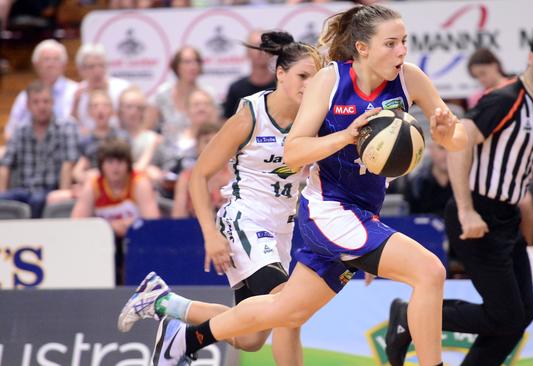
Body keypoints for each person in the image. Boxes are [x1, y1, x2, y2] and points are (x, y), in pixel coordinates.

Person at [124, 5, 467, 366]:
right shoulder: (329, 81)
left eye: (404, 42)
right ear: (362, 47)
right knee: (430, 272)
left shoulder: (410, 78)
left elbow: (457, 136)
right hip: (328, 211)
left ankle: (186, 337)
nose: (402, 51)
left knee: (285, 312)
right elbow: (293, 151)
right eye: (391, 43)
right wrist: (346, 137)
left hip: (359, 214)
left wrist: (448, 135)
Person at [118, 31, 323, 365]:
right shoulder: (251, 114)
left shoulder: (315, 120)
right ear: (281, 73)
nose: (309, 85)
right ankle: (181, 339)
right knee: (289, 307)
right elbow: (199, 175)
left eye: (316, 79)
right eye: (302, 76)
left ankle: (163, 304)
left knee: (250, 337)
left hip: (282, 230)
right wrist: (210, 235)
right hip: (246, 218)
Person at [386, 30, 533, 366]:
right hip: (478, 213)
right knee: (506, 316)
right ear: (531, 58)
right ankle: (408, 316)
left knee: (520, 316)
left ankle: (416, 319)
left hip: (506, 218)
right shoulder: (506, 99)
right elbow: (458, 142)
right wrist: (466, 210)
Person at [466, 47, 533, 245]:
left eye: (483, 73)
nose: (481, 80)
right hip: (489, 161)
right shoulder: (477, 97)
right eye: (476, 76)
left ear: (495, 65)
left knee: (525, 202)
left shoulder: (517, 90)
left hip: (516, 160)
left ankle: (527, 246)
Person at [71, 138, 160, 284]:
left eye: (120, 162)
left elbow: (152, 222)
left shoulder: (139, 182)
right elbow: (77, 222)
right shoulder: (93, 185)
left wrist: (130, 225)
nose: (115, 168)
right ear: (102, 165)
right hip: (104, 243)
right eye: (110, 162)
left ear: (128, 164)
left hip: (136, 243)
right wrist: (109, 227)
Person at [0, 80, 79, 218]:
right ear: (28, 105)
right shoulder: (20, 131)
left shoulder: (67, 126)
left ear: (53, 102)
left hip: (50, 190)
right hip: (23, 191)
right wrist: (2, 192)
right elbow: (5, 165)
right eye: (36, 102)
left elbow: (69, 164)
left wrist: (63, 193)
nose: (41, 106)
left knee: (38, 200)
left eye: (45, 101)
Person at [4, 39, 78, 141]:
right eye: (46, 59)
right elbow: (10, 132)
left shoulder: (76, 91)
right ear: (35, 64)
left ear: (64, 65)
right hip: (31, 150)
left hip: (68, 149)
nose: (50, 64)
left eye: (56, 59)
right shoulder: (25, 96)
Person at [171, 122, 230, 218]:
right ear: (197, 146)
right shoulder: (186, 177)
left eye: (216, 141)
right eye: (206, 141)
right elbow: (178, 216)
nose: (212, 146)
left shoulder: (235, 174)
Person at [71, 43, 131, 137]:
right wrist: (75, 104)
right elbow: (72, 126)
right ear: (81, 70)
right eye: (92, 67)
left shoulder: (122, 89)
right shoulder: (77, 93)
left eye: (101, 66)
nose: (97, 71)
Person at [221, 30, 276, 119]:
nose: (260, 50)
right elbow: (226, 122)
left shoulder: (282, 86)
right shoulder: (236, 89)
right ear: (247, 53)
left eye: (264, 46)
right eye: (255, 46)